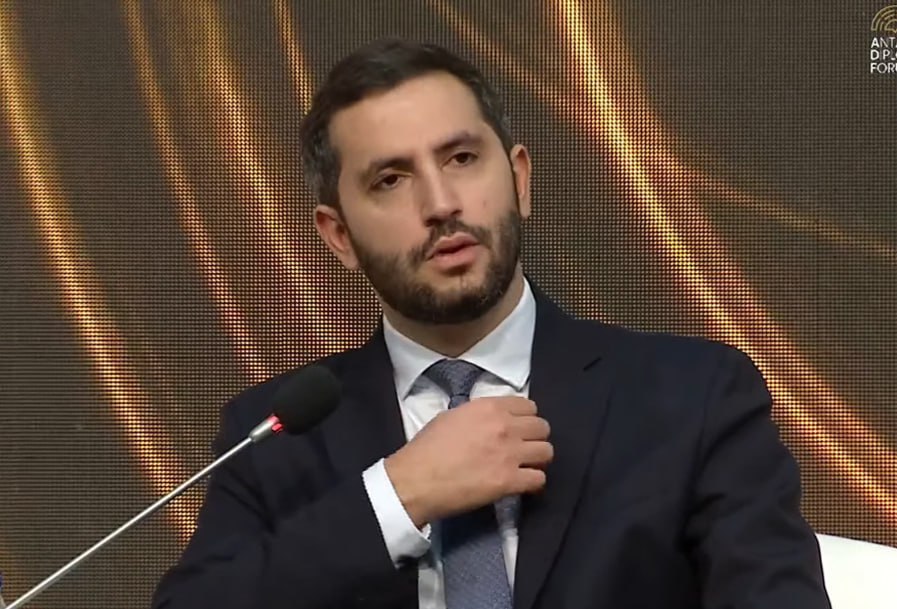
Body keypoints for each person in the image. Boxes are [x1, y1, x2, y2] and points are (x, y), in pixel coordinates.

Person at [151, 39, 831, 609]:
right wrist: (398, 495)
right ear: (339, 235)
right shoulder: (276, 435)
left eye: (461, 158)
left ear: (519, 179)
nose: (441, 202)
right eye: (390, 180)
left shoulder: (692, 395)